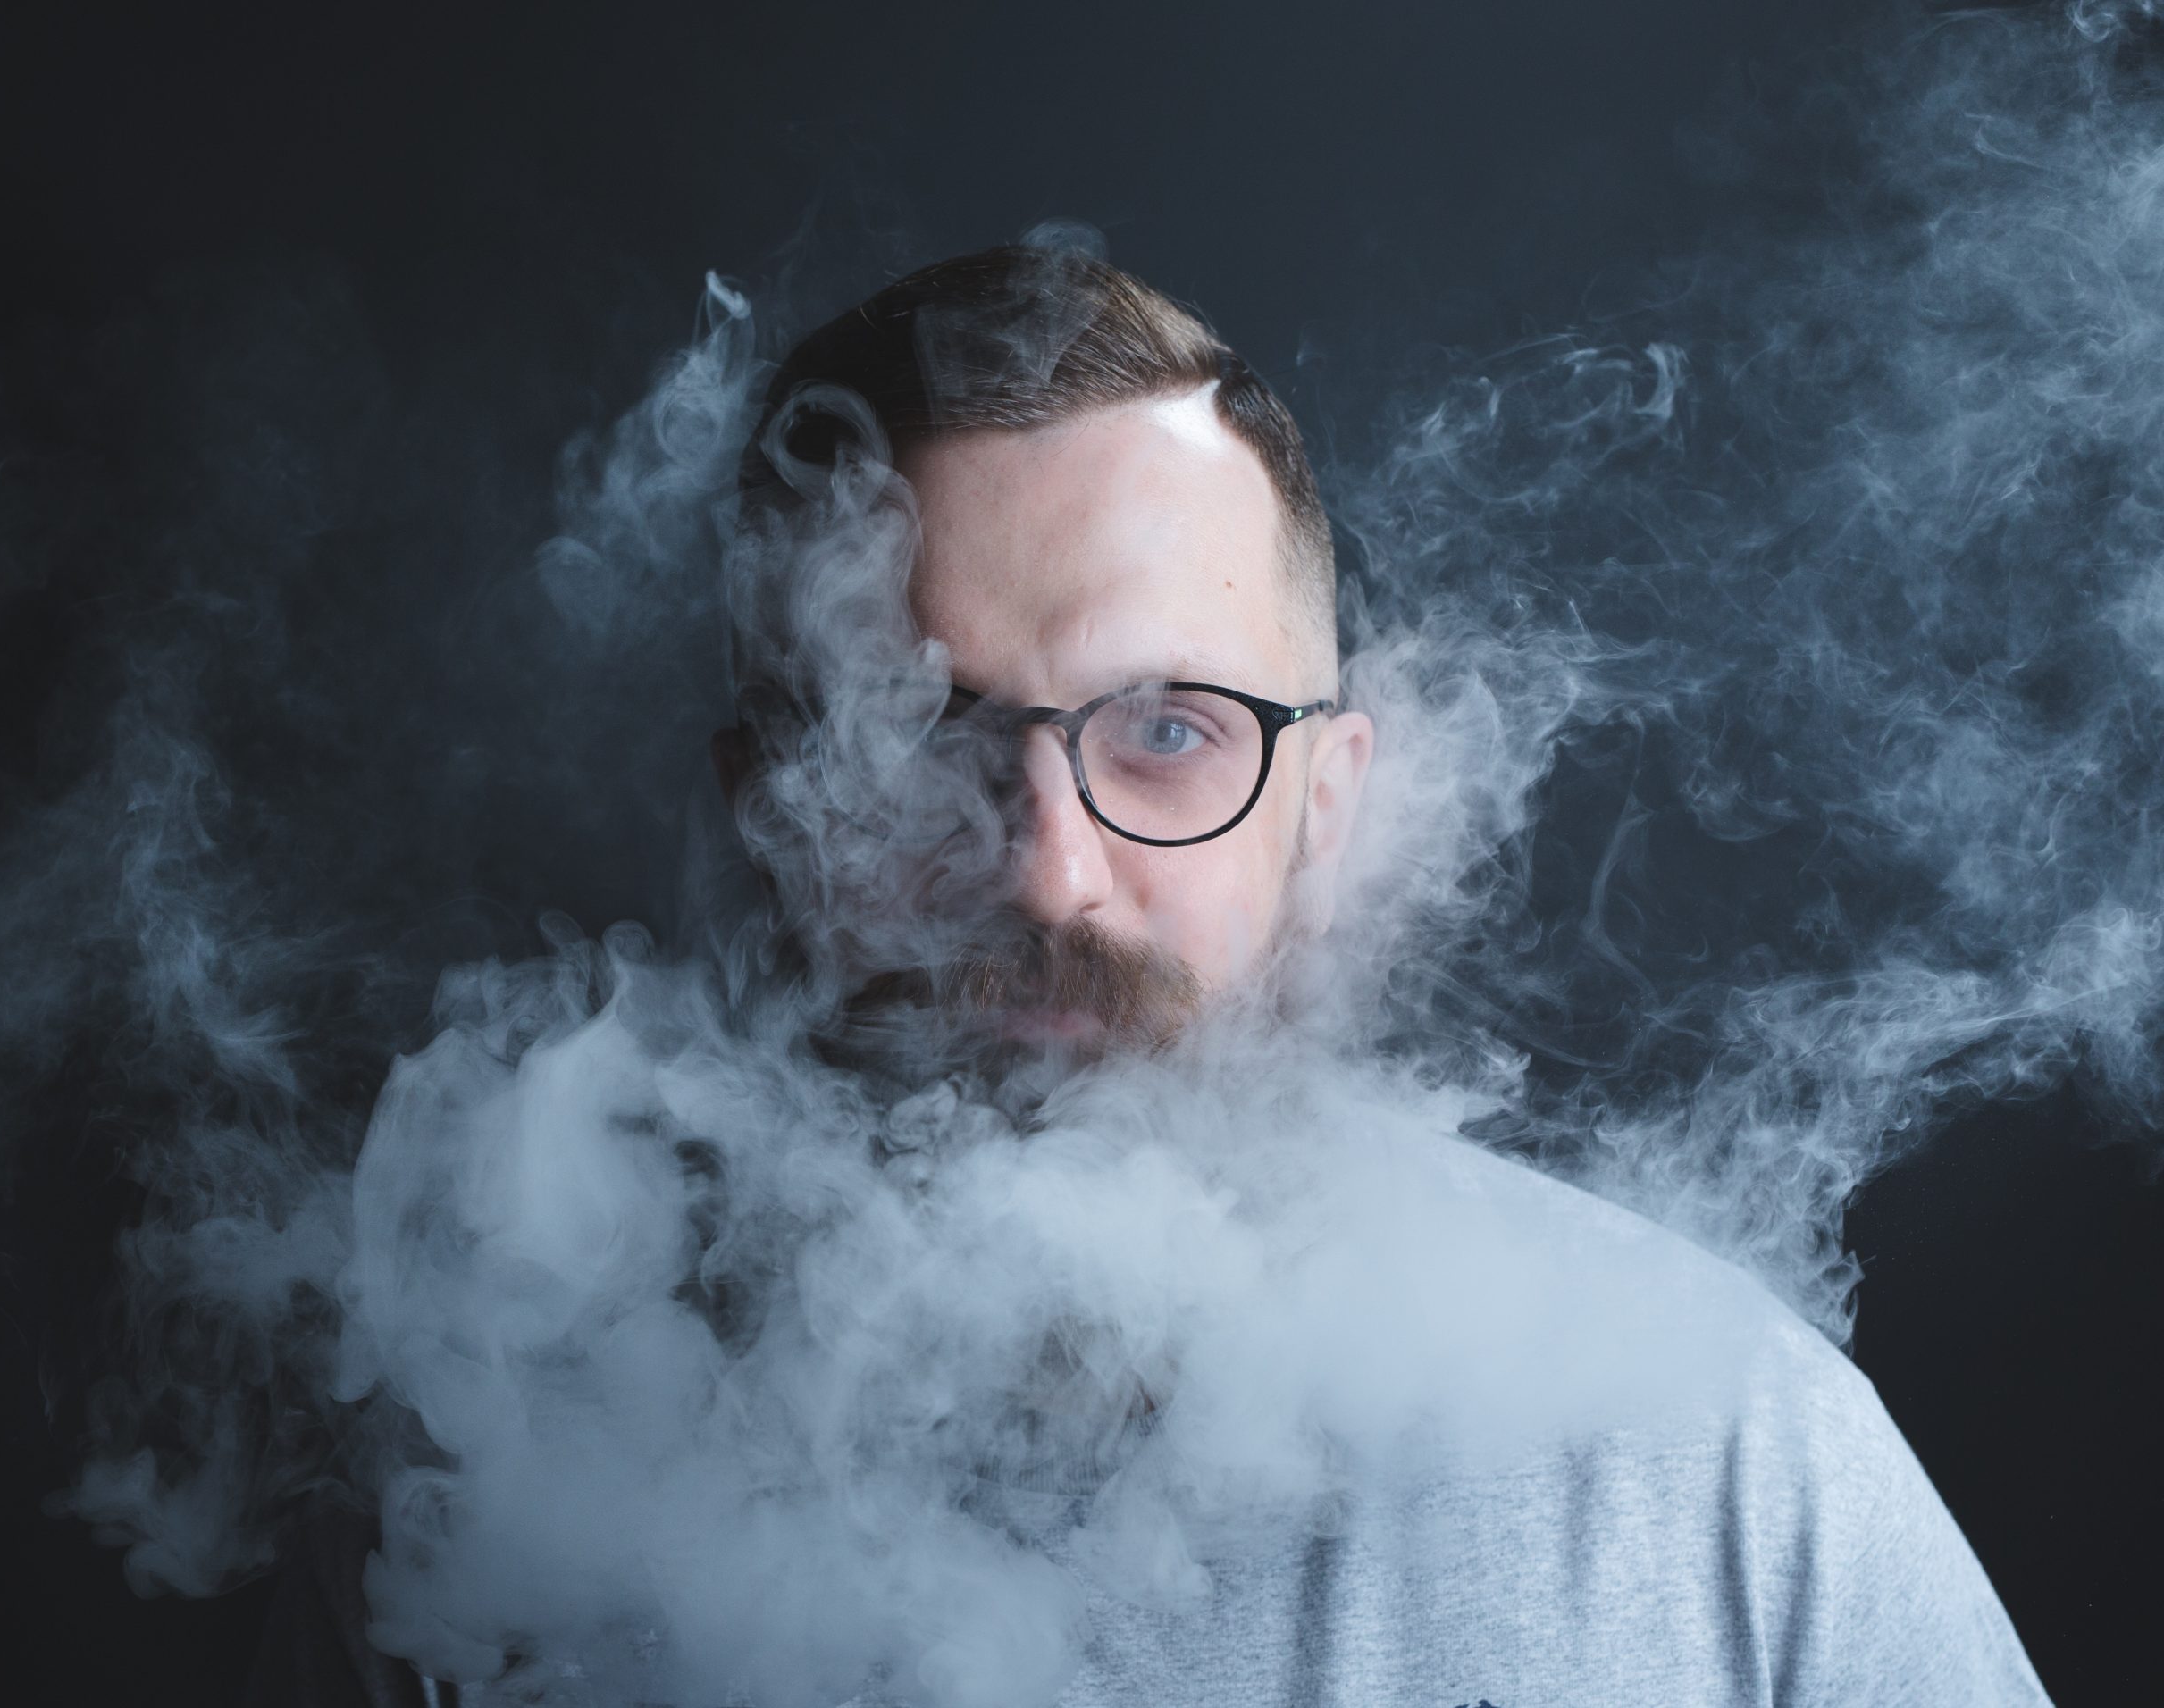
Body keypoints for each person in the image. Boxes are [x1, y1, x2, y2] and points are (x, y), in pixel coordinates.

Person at [247, 246, 2050, 1706]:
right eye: (921, 742)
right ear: (768, 819)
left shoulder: (1714, 1457)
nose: (1045, 868)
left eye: (1170, 730)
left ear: (1324, 804)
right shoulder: (483, 1508)